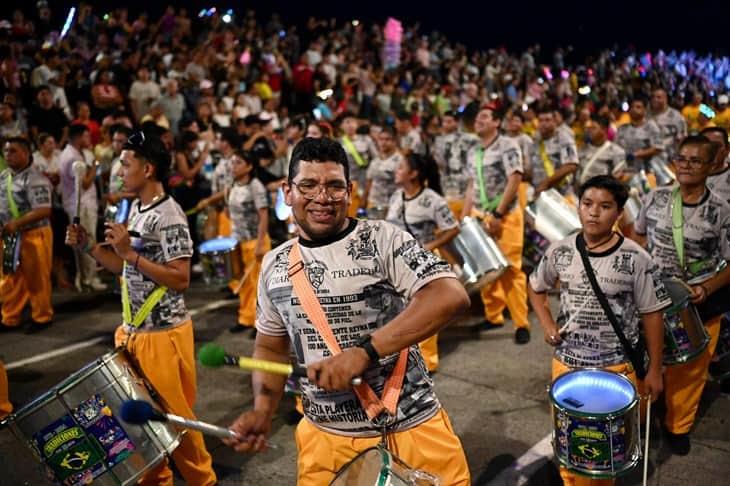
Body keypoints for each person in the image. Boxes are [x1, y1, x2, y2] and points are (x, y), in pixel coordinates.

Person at [224, 137, 470, 485]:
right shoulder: (274, 265)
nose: (322, 197)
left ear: (350, 191)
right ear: (287, 191)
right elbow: (269, 348)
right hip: (325, 444)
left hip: (412, 429)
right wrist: (263, 410)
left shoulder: (383, 238)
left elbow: (450, 294)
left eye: (334, 186)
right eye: (308, 185)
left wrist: (365, 351)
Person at [65, 131, 217, 485]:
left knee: (176, 420)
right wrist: (89, 246)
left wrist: (130, 253)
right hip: (135, 331)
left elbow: (180, 279)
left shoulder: (170, 215)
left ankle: (203, 481)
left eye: (126, 163)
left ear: (148, 169)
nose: (120, 170)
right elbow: (124, 268)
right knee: (141, 424)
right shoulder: (136, 208)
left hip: (164, 337)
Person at [528, 175, 668, 486]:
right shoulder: (561, 250)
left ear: (619, 213)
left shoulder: (635, 258)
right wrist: (548, 325)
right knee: (569, 444)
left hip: (615, 365)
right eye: (587, 204)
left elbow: (652, 315)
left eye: (605, 206)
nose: (593, 213)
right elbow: (535, 285)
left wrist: (655, 369)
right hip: (567, 362)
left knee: (605, 454)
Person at [632, 135, 730, 455]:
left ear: (712, 165)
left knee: (689, 369)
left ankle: (678, 425)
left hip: (700, 300)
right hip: (654, 297)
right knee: (645, 359)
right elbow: (637, 235)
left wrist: (705, 288)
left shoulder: (721, 210)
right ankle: (642, 417)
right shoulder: (656, 197)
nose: (685, 165)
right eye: (681, 159)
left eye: (695, 160)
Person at [385, 153, 460, 372]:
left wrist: (430, 245)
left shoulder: (432, 200)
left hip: (420, 264)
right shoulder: (396, 197)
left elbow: (453, 228)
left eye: (401, 168)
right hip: (397, 263)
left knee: (423, 310)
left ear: (413, 174)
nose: (396, 171)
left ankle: (427, 361)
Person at [463, 106, 531, 343]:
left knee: (511, 269)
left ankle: (521, 323)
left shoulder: (508, 145)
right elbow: (471, 186)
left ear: (497, 122)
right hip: (480, 214)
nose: (478, 121)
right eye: (477, 117)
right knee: (486, 268)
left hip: (506, 215)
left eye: (484, 117)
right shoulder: (474, 151)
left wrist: (500, 214)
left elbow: (515, 178)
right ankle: (494, 316)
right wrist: (465, 218)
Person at [195, 150, 270, 334]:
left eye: (238, 162)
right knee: (242, 283)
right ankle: (245, 318)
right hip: (238, 241)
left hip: (255, 241)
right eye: (233, 162)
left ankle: (260, 324)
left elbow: (263, 215)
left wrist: (260, 243)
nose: (233, 166)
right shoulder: (233, 185)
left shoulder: (256, 186)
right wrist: (207, 202)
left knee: (258, 285)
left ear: (249, 166)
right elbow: (224, 199)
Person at [0, 137, 54, 331]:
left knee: (37, 277)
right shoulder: (4, 176)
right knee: (10, 276)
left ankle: (42, 316)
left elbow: (43, 210)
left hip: (34, 233)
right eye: (6, 151)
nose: (8, 155)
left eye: (13, 151)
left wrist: (16, 223)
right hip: (10, 234)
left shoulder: (36, 179)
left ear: (26, 153)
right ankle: (10, 317)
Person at [58, 123, 106, 291]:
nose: (88, 139)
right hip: (80, 206)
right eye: (86, 136)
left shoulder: (79, 153)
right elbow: (85, 183)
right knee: (87, 239)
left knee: (87, 239)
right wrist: (95, 166)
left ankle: (88, 277)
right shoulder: (72, 157)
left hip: (84, 203)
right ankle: (89, 278)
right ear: (78, 137)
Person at [432, 111, 480, 217]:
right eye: (444, 122)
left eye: (449, 121)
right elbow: (438, 164)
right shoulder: (438, 141)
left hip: (466, 189)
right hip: (447, 188)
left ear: (457, 122)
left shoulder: (471, 139)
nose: (445, 124)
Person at [531, 106, 579, 199]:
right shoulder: (536, 140)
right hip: (541, 194)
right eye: (540, 120)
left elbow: (571, 165)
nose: (543, 124)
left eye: (547, 120)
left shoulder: (563, 137)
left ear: (555, 121)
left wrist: (546, 183)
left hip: (561, 193)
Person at [337, 112, 378, 217]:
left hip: (366, 182)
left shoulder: (366, 140)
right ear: (341, 126)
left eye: (353, 121)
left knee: (367, 214)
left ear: (357, 124)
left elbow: (376, 159)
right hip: (348, 183)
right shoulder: (338, 143)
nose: (350, 125)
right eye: (347, 122)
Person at [363, 125, 404, 218]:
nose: (383, 142)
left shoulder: (400, 160)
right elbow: (369, 182)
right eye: (381, 139)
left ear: (394, 141)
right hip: (373, 204)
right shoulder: (375, 160)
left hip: (392, 206)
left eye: (387, 139)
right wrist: (363, 201)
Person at [577, 115, 627, 185]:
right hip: (576, 191)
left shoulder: (616, 151)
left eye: (593, 128)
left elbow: (618, 175)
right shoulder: (582, 149)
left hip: (598, 191)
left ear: (604, 130)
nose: (589, 131)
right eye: (589, 128)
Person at [650, 87, 687, 163]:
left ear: (665, 99)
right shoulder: (647, 115)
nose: (655, 99)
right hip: (649, 158)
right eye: (653, 97)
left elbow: (683, 139)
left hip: (669, 159)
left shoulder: (676, 116)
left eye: (658, 97)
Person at [702, 126, 730, 202]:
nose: (711, 150)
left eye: (716, 146)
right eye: (705, 146)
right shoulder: (685, 175)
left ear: (727, 149)